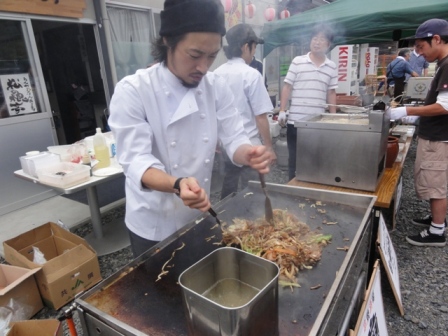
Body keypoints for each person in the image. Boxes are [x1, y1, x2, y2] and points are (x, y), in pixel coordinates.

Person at [108, 0, 271, 258]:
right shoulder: (134, 90)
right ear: (167, 41)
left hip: (199, 214)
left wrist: (248, 152)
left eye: (212, 56)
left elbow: (234, 137)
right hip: (153, 224)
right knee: (159, 294)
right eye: (195, 55)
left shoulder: (215, 85)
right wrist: (178, 183)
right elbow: (136, 161)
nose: (204, 67)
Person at [390, 18, 448, 247]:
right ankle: (436, 219)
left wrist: (407, 110)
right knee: (435, 180)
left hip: (438, 138)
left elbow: (445, 106)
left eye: (421, 47)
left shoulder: (447, 64)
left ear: (436, 39)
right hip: (436, 134)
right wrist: (416, 115)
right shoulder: (443, 64)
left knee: (435, 183)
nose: (420, 54)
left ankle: (437, 231)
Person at [214, 24, 276, 199]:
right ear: (245, 47)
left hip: (227, 144)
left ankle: (226, 222)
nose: (254, 51)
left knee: (229, 187)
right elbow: (260, 116)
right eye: (254, 46)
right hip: (250, 146)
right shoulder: (251, 74)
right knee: (254, 190)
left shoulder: (216, 73)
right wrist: (269, 147)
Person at [278, 24, 338, 181]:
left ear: (328, 45)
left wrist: (333, 118)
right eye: (314, 38)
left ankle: (311, 192)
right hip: (295, 122)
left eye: (322, 39)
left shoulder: (331, 66)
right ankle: (292, 192)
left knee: (315, 160)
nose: (317, 42)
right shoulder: (298, 61)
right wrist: (282, 110)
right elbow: (287, 86)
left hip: (317, 123)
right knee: (295, 161)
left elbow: (331, 93)